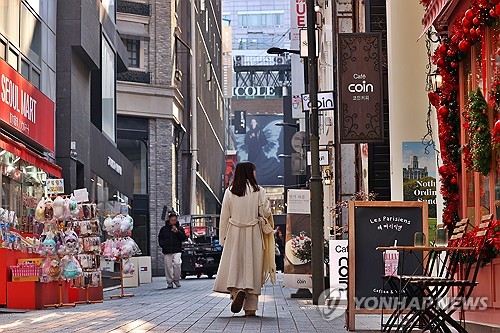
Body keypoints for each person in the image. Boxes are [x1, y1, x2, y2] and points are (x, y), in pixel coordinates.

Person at [213, 162, 276, 316]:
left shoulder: (230, 191)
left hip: (234, 232)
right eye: (254, 171)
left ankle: (237, 292)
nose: (255, 174)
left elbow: (224, 217)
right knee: (252, 266)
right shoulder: (259, 191)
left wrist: (222, 238)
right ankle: (250, 308)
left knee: (235, 265)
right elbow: (265, 212)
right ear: (250, 172)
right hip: (253, 232)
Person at [158, 213, 187, 288]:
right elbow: (160, 238)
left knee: (177, 264)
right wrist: (163, 245)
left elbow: (183, 238)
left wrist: (177, 232)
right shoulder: (164, 229)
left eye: (174, 220)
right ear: (169, 220)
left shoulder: (180, 228)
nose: (173, 222)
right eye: (171, 220)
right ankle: (169, 282)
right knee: (168, 267)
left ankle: (176, 280)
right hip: (167, 250)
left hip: (177, 249)